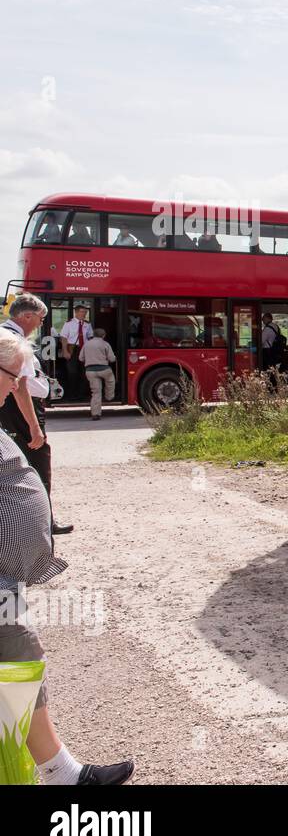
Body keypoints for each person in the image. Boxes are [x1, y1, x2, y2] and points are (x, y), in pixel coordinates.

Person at [0, 331, 134, 785]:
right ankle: (63, 774)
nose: (17, 385)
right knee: (18, 660)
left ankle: (61, 772)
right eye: (13, 376)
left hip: (5, 580)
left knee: (19, 664)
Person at [1, 295, 72, 534]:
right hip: (21, 410)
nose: (41, 324)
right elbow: (20, 386)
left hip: (14, 408)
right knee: (38, 459)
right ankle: (43, 521)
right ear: (27, 316)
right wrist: (34, 425)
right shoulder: (13, 341)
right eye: (41, 319)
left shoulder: (6, 335)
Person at [79, 328, 116, 421]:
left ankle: (95, 414)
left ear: (93, 335)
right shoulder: (105, 344)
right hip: (104, 369)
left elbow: (81, 358)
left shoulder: (86, 344)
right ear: (103, 336)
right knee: (111, 381)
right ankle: (109, 396)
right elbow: (111, 358)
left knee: (96, 392)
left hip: (90, 371)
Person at [59, 304, 93, 402]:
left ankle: (82, 394)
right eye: (82, 312)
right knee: (72, 372)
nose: (84, 314)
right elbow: (64, 338)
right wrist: (65, 351)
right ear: (76, 312)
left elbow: (90, 337)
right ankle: (72, 394)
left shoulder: (87, 324)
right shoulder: (69, 324)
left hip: (84, 350)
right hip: (72, 349)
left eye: (85, 312)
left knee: (84, 372)